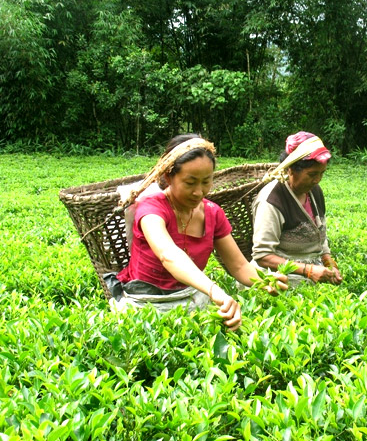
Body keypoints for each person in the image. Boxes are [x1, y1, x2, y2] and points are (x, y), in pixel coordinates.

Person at [109, 134, 287, 330]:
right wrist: (214, 290)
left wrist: (264, 281)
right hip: (147, 301)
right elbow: (168, 255)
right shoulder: (152, 209)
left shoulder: (212, 213)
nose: (199, 192)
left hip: (192, 296)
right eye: (190, 182)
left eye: (206, 181)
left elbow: (238, 266)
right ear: (169, 177)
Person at [251, 131, 343, 286]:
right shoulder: (271, 200)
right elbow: (263, 256)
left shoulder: (315, 191)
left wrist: (328, 262)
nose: (317, 180)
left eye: (322, 174)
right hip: (280, 273)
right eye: (312, 174)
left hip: (312, 266)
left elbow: (321, 234)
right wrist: (308, 270)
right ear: (291, 169)